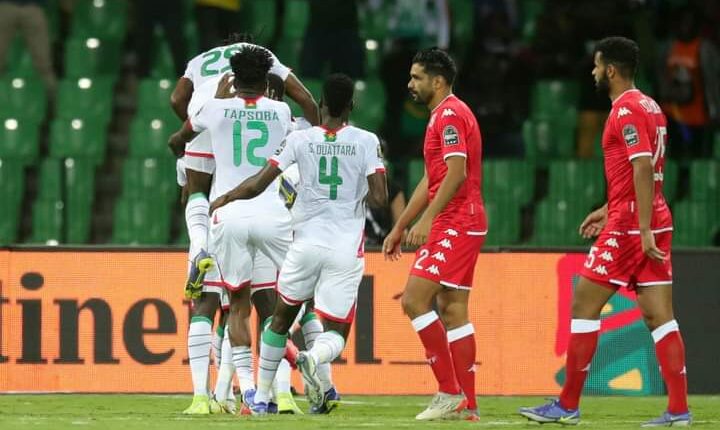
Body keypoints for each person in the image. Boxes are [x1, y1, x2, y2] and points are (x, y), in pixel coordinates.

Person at [519, 37, 691, 427]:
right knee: (660, 317)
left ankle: (567, 405)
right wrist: (608, 207)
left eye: (597, 66)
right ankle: (679, 410)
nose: (593, 72)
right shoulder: (651, 106)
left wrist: (639, 226)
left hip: (633, 225)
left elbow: (642, 166)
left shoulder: (625, 110)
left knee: (583, 304)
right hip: (653, 214)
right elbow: (642, 172)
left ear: (611, 70)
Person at [208, 73, 388, 415]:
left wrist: (226, 198)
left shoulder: (300, 139)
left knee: (278, 320)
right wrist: (368, 178)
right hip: (344, 250)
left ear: (321, 104)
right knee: (336, 331)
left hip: (304, 246)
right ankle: (312, 358)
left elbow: (259, 183)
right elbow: (379, 200)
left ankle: (261, 398)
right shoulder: (366, 141)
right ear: (351, 106)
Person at [168, 47, 299, 415]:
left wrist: (184, 144)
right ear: (266, 78)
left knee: (233, 306)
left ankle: (243, 392)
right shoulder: (281, 112)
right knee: (285, 302)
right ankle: (285, 382)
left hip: (228, 216)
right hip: (273, 216)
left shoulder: (213, 110)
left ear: (233, 77)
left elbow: (178, 139)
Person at [382, 48, 486, 421]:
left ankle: (448, 391)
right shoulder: (441, 115)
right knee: (453, 310)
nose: (410, 84)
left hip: (457, 220)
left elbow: (456, 172)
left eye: (417, 77)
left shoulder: (450, 114)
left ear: (438, 81)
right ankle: (467, 405)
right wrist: (400, 225)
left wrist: (427, 220)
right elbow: (432, 178)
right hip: (462, 219)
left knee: (414, 300)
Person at [0, 0, 57, 96]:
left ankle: (52, 99)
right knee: (44, 64)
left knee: (43, 63)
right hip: (8, 6)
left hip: (31, 7)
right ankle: (52, 98)